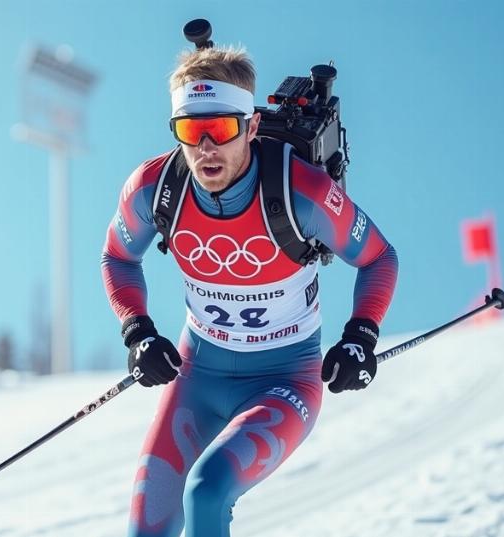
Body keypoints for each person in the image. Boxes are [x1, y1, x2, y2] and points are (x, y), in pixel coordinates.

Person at [101, 44, 398, 537]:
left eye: (220, 129)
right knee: (145, 528)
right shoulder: (154, 189)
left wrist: (360, 337)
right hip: (197, 374)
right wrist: (139, 333)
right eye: (190, 132)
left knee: (208, 490)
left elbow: (378, 257)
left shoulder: (299, 191)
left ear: (252, 126)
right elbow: (117, 256)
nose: (205, 149)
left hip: (284, 381)